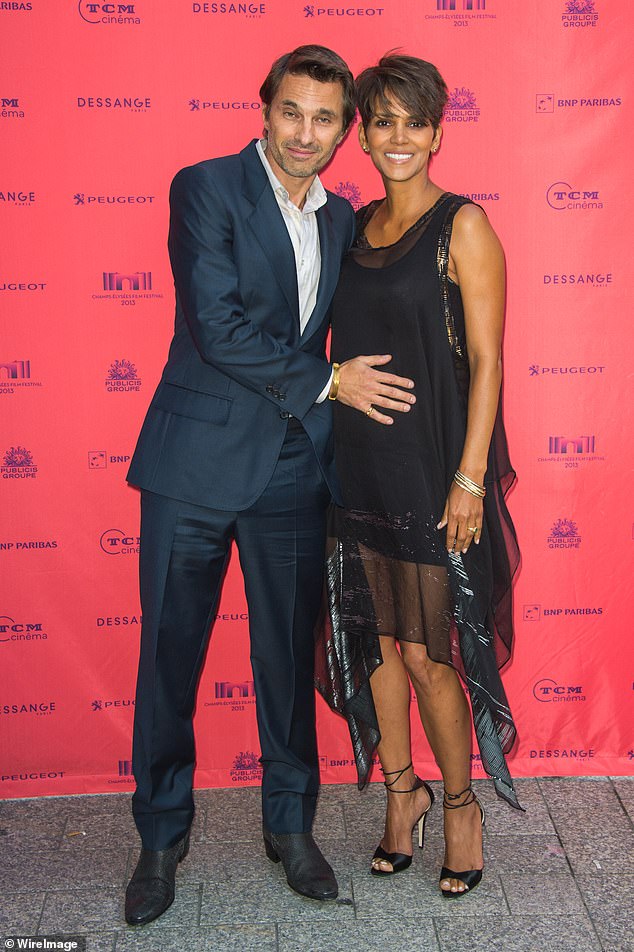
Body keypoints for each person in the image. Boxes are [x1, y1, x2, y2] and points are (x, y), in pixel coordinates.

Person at [124, 45, 417, 926]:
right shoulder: (207, 187)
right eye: (292, 111)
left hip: (292, 467)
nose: (305, 133)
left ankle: (290, 828)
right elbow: (215, 326)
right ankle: (161, 836)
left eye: (324, 119)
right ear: (265, 110)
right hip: (193, 465)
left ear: (344, 131)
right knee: (169, 658)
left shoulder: (343, 218)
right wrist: (330, 382)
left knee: (287, 660)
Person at [317, 53, 521, 899]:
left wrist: (470, 479)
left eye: (414, 122)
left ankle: (462, 806)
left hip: (430, 471)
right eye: (382, 121)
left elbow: (489, 362)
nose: (397, 137)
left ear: (437, 133)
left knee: (428, 652)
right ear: (362, 136)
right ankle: (404, 796)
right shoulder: (350, 226)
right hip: (353, 466)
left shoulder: (462, 225)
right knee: (373, 643)